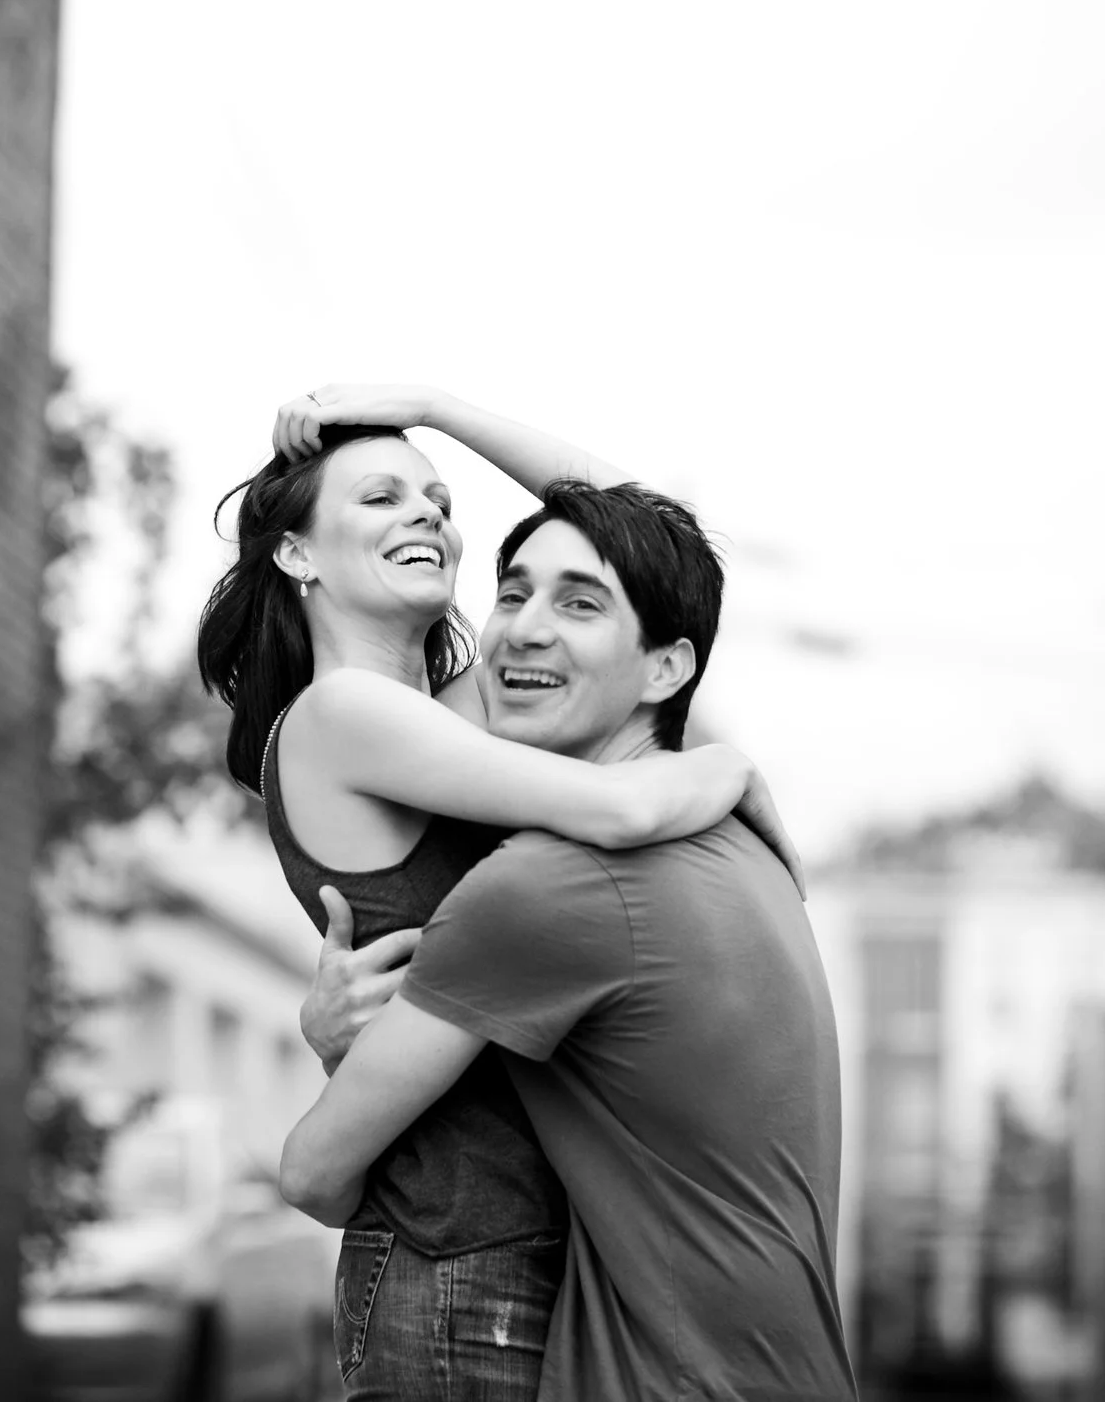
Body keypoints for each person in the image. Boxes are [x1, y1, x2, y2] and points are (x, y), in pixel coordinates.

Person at [196, 385, 802, 1401]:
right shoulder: (344, 714)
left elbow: (643, 543)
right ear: (296, 554)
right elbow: (613, 812)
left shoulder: (444, 715)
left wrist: (433, 406)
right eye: (381, 497)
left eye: (435, 497)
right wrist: (727, 768)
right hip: (454, 1264)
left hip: (514, 1245)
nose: (425, 512)